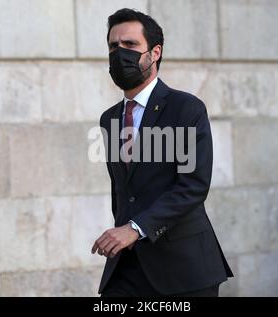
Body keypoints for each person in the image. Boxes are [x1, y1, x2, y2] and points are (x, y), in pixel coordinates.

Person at [91, 8, 233, 297]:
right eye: (113, 46)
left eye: (130, 45)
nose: (120, 54)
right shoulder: (110, 119)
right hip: (127, 269)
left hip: (184, 270)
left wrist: (135, 228)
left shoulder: (186, 108)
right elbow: (124, 191)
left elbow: (192, 186)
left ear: (155, 53)